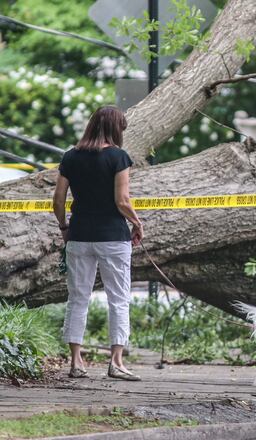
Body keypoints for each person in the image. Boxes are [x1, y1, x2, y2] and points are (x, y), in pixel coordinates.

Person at [52, 106, 143, 381]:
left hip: (79, 236)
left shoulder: (70, 157)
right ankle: (116, 361)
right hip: (113, 237)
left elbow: (57, 200)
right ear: (116, 129)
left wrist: (64, 227)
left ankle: (76, 361)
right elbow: (122, 201)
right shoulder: (118, 157)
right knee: (118, 299)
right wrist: (137, 224)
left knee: (78, 299)